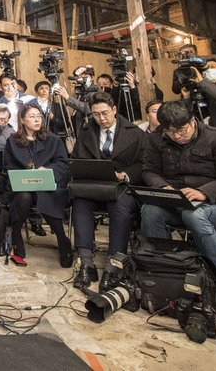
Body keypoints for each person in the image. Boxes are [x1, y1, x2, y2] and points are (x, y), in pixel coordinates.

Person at [141, 100, 216, 317]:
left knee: (195, 215)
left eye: (181, 130)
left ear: (193, 121)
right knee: (150, 210)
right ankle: (165, 273)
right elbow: (149, 171)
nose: (176, 136)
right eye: (169, 132)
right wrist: (162, 187)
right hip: (176, 201)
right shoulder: (157, 139)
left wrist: (205, 192)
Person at [71, 92, 144, 289]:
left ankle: (114, 263)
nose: (101, 119)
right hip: (95, 186)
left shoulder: (135, 133)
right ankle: (86, 262)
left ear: (114, 110)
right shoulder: (87, 132)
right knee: (80, 203)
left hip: (122, 188)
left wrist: (126, 175)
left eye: (104, 113)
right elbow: (78, 160)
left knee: (120, 207)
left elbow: (144, 164)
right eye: (96, 114)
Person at [4, 104, 72, 267]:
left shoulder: (53, 139)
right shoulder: (12, 141)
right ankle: (17, 233)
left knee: (46, 195)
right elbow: (8, 167)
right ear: (22, 120)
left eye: (39, 116)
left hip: (48, 184)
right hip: (23, 186)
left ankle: (62, 239)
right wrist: (25, 175)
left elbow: (63, 164)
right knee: (24, 196)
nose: (37, 119)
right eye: (32, 116)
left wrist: (47, 170)